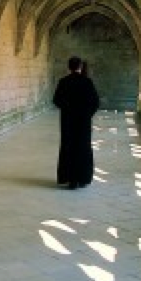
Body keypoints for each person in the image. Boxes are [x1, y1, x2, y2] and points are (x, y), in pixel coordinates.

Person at [53, 56, 99, 189]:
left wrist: (67, 110)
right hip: (83, 122)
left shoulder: (63, 82)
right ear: (80, 67)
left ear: (69, 67)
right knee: (83, 147)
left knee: (68, 147)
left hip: (67, 121)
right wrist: (87, 114)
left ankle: (70, 179)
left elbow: (56, 100)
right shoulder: (87, 82)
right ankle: (83, 179)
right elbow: (96, 102)